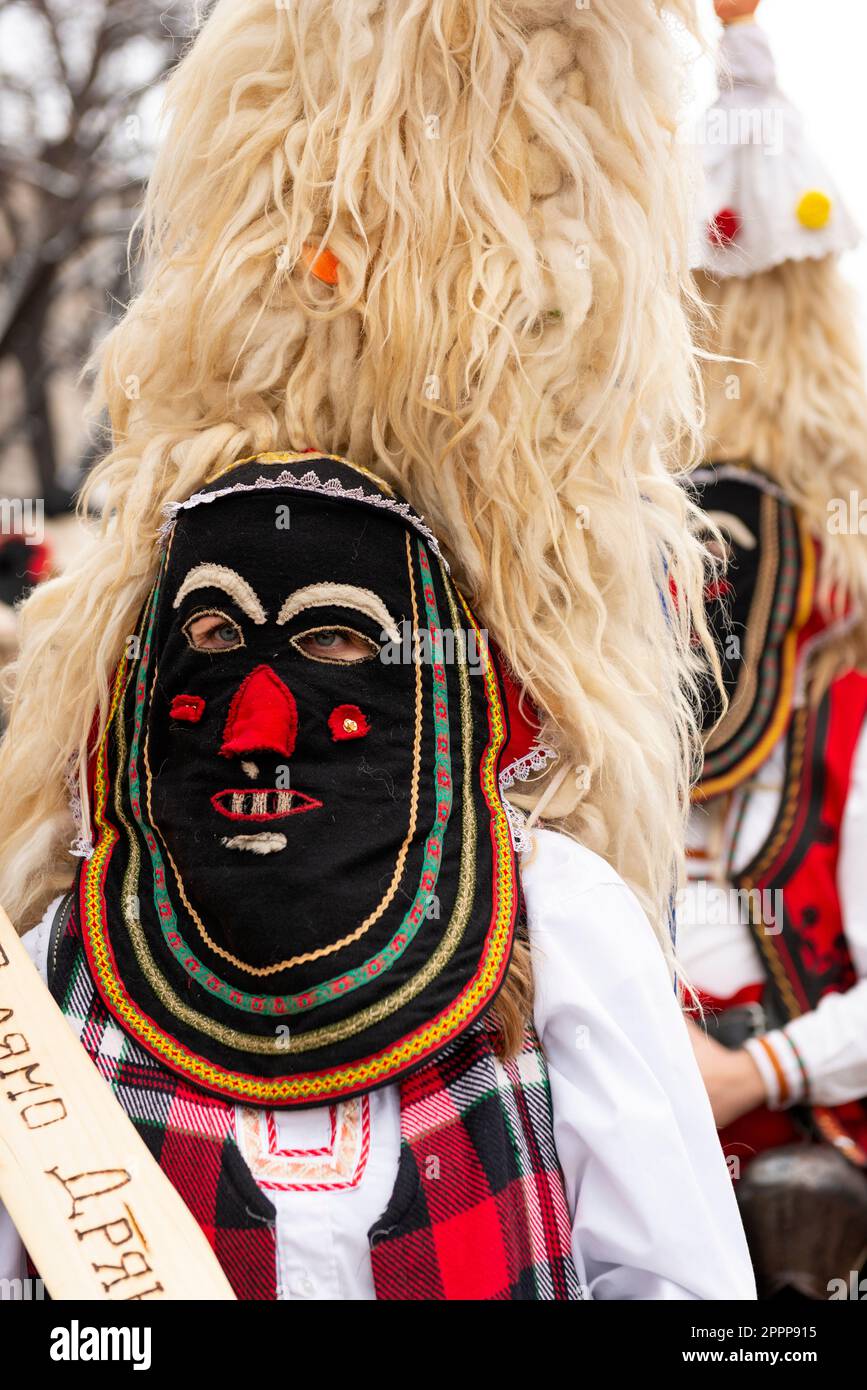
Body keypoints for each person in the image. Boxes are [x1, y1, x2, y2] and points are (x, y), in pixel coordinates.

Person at [0, 0, 754, 1299]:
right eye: (217, 636)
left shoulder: (558, 927)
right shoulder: (60, 963)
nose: (256, 719)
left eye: (338, 637)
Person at [682, 0, 867, 1297]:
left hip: (797, 1142)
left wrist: (756, 1073)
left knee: (798, 1209)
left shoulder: (849, 697)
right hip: (639, 1121)